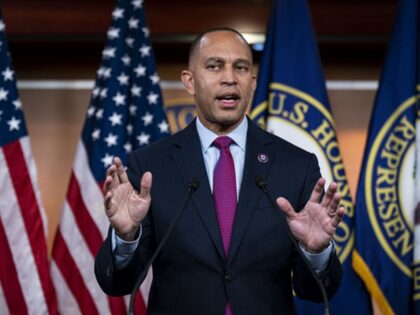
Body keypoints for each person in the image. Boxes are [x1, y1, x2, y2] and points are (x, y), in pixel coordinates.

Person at [95, 27, 345, 315]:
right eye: (214, 66)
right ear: (189, 82)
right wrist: (126, 238)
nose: (229, 77)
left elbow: (315, 291)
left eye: (240, 68)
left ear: (252, 83)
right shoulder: (151, 165)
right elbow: (117, 284)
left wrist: (315, 252)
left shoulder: (296, 166)